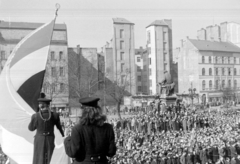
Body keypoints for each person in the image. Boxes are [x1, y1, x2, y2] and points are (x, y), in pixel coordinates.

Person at [64, 97, 117, 164]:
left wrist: (67, 139)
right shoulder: (108, 128)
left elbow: (72, 153)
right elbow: (111, 152)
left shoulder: (77, 129)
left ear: (83, 111)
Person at [28, 92, 65, 164]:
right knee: (50, 158)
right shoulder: (55, 115)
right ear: (48, 105)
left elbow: (31, 128)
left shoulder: (35, 116)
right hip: (50, 139)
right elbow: (60, 129)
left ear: (41, 105)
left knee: (38, 158)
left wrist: (34, 118)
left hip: (39, 139)